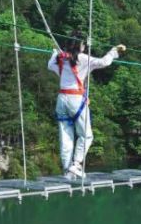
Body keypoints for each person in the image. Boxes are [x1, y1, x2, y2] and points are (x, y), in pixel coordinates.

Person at [48, 31, 126, 179]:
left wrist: (54, 53)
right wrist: (114, 51)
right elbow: (103, 62)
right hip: (75, 100)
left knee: (65, 136)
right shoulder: (82, 58)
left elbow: (49, 65)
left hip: (61, 99)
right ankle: (76, 164)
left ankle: (67, 170)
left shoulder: (60, 59)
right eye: (83, 44)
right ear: (80, 45)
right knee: (86, 135)